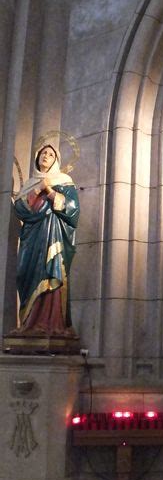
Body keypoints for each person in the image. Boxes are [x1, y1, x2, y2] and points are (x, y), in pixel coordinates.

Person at [12, 143, 80, 337]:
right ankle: (28, 323)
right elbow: (20, 210)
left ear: (55, 160)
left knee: (51, 273)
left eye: (50, 154)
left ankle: (51, 324)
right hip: (31, 238)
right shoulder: (29, 184)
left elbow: (73, 210)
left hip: (53, 236)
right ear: (37, 157)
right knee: (25, 274)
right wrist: (37, 189)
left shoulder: (64, 181)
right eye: (43, 153)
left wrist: (49, 191)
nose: (46, 156)